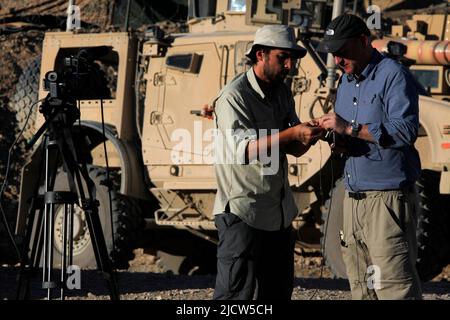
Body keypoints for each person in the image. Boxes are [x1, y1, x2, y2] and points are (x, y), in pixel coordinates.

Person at [212, 25, 325, 300]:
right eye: (282, 58)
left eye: (293, 59)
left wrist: (316, 130)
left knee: (276, 294)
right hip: (243, 211)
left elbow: (294, 149)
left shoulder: (282, 92)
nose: (290, 65)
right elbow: (245, 150)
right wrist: (292, 133)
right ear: (260, 55)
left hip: (277, 213)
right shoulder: (234, 96)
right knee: (235, 296)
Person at [317, 14, 422, 299]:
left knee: (394, 289)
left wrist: (349, 127)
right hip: (353, 199)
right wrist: (336, 139)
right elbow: (353, 135)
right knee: (361, 289)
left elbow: (405, 131)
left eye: (342, 52)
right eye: (333, 54)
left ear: (363, 41)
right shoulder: (347, 83)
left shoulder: (393, 75)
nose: (337, 60)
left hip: (386, 201)